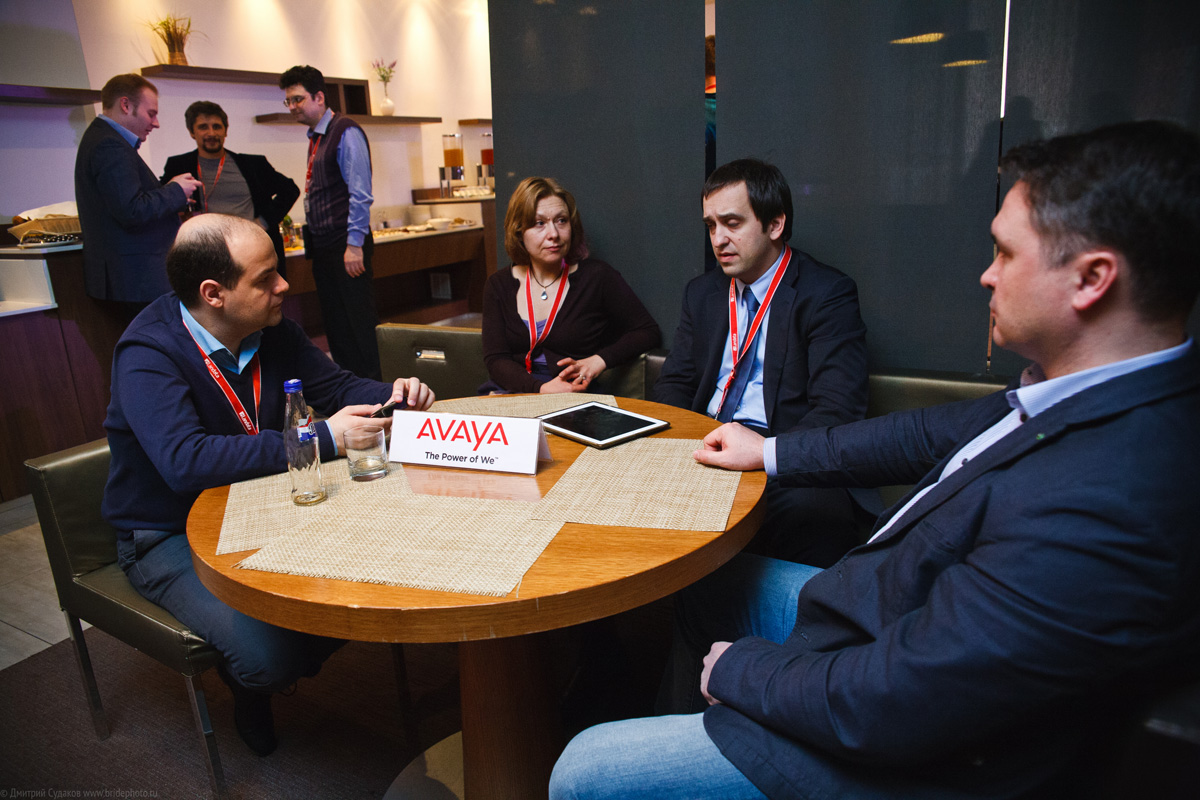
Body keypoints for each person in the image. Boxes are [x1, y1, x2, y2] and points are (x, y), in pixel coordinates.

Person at [549, 121, 1200, 800]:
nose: (986, 274)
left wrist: (744, 675)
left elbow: (903, 699)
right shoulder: (1081, 393)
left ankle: (717, 751)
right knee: (706, 588)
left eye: (1006, 253)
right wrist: (766, 450)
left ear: (1092, 278)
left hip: (896, 735)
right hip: (883, 609)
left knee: (582, 770)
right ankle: (698, 745)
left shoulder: (1113, 492)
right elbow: (914, 436)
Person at [103, 213, 435, 757]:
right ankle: (249, 688)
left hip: (263, 500)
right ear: (213, 294)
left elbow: (336, 387)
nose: (283, 286)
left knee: (377, 587)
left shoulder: (270, 326)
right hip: (167, 531)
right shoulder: (147, 353)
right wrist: (324, 437)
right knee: (271, 659)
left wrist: (394, 395)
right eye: (265, 279)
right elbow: (185, 462)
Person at [654, 158, 874, 567]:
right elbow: (675, 383)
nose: (718, 239)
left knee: (815, 512)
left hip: (780, 454)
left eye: (732, 223)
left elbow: (838, 409)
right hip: (706, 443)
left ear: (774, 225)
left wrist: (764, 454)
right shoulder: (701, 293)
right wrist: (685, 444)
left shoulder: (827, 294)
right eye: (710, 225)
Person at [481, 176, 661, 394]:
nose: (554, 234)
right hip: (514, 393)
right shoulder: (498, 285)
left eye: (561, 221)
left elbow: (647, 331)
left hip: (574, 396)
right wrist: (541, 389)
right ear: (519, 231)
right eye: (539, 223)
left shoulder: (597, 277)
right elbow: (496, 358)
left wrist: (598, 361)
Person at [279, 65, 381, 380]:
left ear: (319, 97)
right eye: (288, 101)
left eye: (298, 99)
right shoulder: (317, 137)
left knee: (358, 325)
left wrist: (354, 245)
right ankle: (349, 388)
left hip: (344, 245)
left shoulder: (345, 131)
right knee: (337, 326)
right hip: (323, 246)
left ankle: (375, 389)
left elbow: (360, 194)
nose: (293, 106)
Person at [74, 73, 202, 305]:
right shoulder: (110, 144)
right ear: (125, 105)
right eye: (151, 113)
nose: (156, 123)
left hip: (130, 278)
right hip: (136, 278)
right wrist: (176, 190)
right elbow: (131, 210)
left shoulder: (102, 138)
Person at [161, 100, 300, 274]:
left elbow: (290, 190)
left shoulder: (253, 165)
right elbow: (163, 202)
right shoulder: (179, 166)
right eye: (203, 127)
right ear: (192, 132)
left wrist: (263, 222)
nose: (211, 133)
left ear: (225, 131)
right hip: (207, 254)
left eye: (217, 127)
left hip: (252, 251)